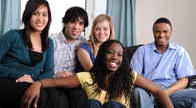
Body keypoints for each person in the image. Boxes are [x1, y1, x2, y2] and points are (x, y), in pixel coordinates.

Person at [21, 40, 174, 108]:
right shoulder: (87, 77)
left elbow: (158, 91)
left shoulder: (128, 76)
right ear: (102, 56)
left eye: (119, 54)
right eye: (110, 52)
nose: (115, 57)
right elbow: (54, 82)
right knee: (92, 104)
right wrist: (37, 83)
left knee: (113, 105)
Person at [0, 0, 66, 108]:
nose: (40, 18)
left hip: (34, 83)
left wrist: (35, 82)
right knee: (40, 97)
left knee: (57, 96)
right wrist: (19, 75)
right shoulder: (13, 35)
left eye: (44, 14)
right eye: (36, 13)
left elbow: (49, 71)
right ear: (28, 15)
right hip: (9, 81)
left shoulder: (48, 43)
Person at [130, 17, 196, 108]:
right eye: (157, 31)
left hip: (171, 91)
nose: (161, 35)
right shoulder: (142, 51)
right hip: (147, 90)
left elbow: (184, 80)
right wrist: (154, 89)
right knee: (138, 92)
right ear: (153, 32)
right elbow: (134, 76)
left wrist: (166, 92)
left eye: (165, 32)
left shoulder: (179, 51)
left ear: (171, 32)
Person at [49, 6, 89, 108]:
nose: (76, 27)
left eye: (81, 23)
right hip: (52, 81)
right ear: (65, 23)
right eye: (72, 22)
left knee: (80, 95)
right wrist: (55, 74)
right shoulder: (51, 40)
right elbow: (38, 66)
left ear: (84, 27)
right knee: (59, 98)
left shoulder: (84, 43)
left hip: (72, 84)